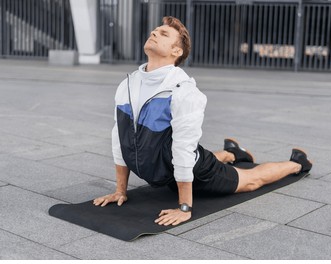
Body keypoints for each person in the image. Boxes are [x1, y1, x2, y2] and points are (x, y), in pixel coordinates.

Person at [93, 16, 312, 226]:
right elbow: (119, 137)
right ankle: (231, 153)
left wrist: (185, 208)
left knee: (251, 180)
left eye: (163, 33)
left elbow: (184, 149)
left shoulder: (183, 90)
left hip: (195, 170)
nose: (153, 32)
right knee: (188, 155)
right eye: (154, 31)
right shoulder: (128, 85)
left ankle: (298, 163)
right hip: (165, 168)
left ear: (176, 51)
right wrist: (120, 191)